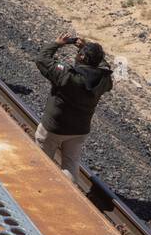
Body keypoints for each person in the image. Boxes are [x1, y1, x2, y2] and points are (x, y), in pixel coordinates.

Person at [33, 35, 113, 186]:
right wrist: (89, 50)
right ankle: (70, 194)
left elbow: (42, 59)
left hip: (54, 127)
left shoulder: (67, 75)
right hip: (80, 130)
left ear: (81, 56)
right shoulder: (104, 80)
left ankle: (38, 188)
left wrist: (56, 43)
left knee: (42, 161)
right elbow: (105, 68)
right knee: (70, 165)